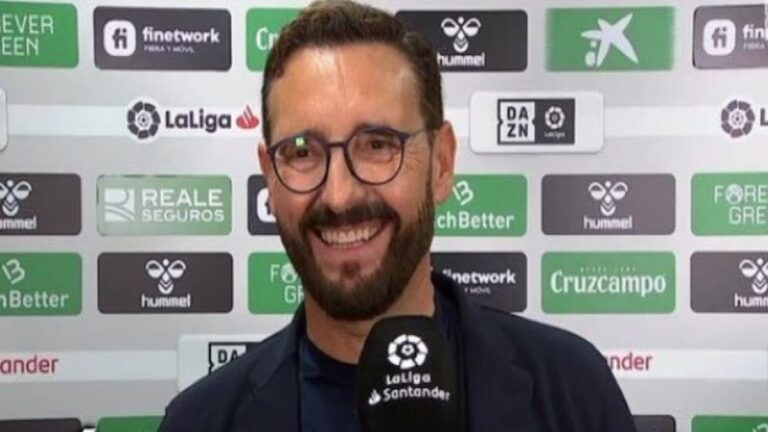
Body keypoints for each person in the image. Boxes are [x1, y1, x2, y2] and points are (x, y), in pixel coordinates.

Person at [159, 1, 637, 431]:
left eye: (378, 145)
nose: (340, 196)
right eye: (302, 152)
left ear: (442, 164)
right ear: (270, 174)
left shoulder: (573, 394)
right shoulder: (200, 421)